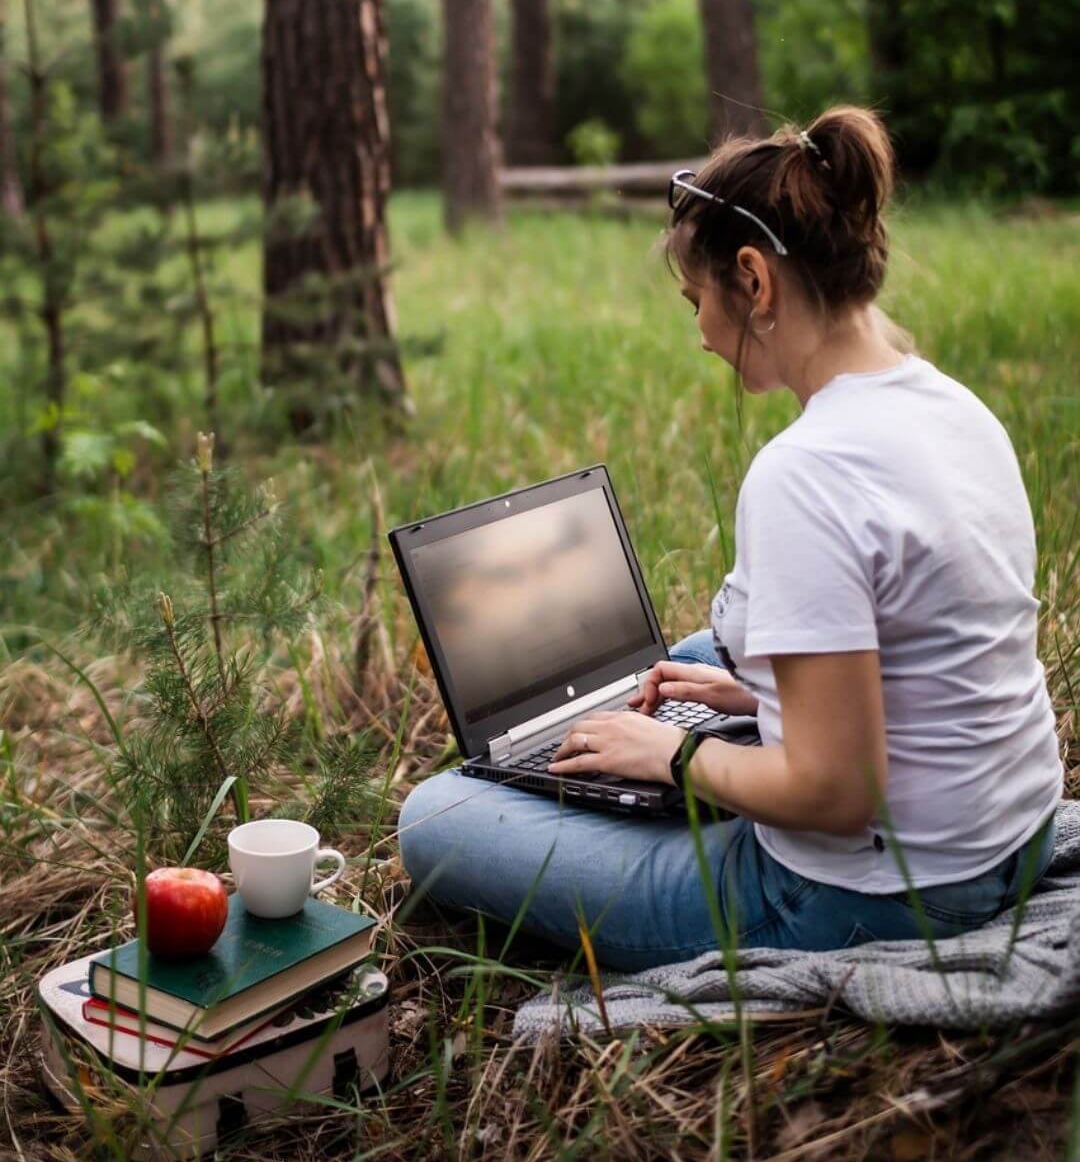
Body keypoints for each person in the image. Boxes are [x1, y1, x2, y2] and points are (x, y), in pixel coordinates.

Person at [397, 107, 1063, 970]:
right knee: (684, 660)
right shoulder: (949, 406)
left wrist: (675, 755)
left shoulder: (807, 473)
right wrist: (758, 704)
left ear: (753, 281)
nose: (700, 331)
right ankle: (640, 740)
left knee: (437, 816)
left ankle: (618, 768)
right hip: (1015, 834)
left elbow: (836, 794)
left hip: (876, 895)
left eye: (696, 300)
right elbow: (929, 640)